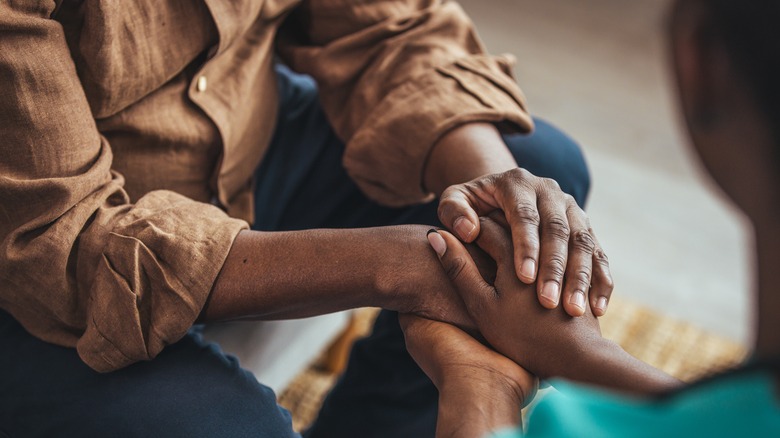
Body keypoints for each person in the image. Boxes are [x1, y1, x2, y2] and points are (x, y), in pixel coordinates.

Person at [0, 1, 610, 437]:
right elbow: (59, 238)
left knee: (534, 177)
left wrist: (498, 202)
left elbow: (388, 27)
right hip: (38, 266)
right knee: (233, 425)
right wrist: (397, 266)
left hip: (246, 147)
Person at [401, 0, 780, 436]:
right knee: (541, 166)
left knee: (544, 164)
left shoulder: (572, 428)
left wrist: (478, 383)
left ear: (702, 63)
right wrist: (584, 357)